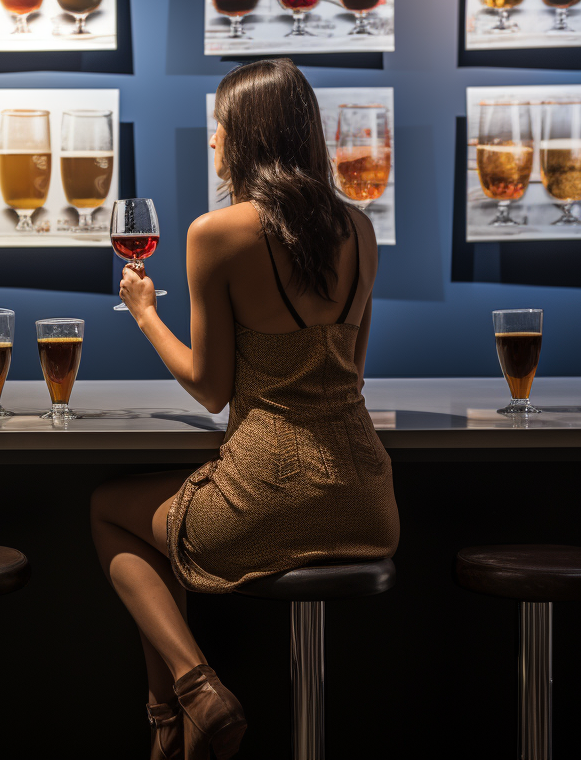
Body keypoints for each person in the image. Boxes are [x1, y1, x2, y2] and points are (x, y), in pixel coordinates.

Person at [90, 58, 399, 760]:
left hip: (266, 498)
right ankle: (174, 733)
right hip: (370, 505)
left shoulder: (216, 234)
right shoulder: (360, 230)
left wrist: (142, 313)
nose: (212, 143)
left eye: (219, 128)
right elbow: (350, 373)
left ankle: (193, 693)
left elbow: (210, 387)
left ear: (247, 137)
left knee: (110, 509)